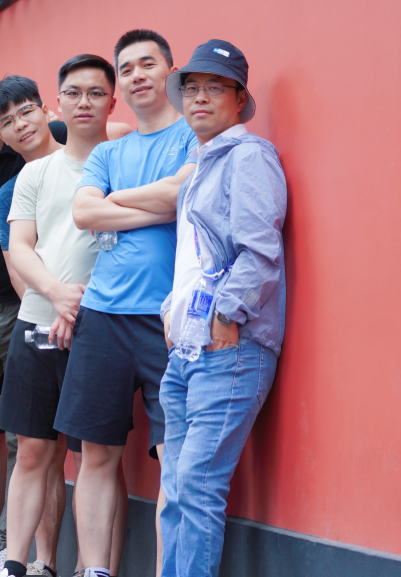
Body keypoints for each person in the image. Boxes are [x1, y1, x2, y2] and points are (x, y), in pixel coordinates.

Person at [54, 30, 199, 577]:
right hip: (103, 318)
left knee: (173, 459)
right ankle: (96, 570)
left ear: (170, 72)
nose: (137, 75)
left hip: (171, 319)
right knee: (95, 454)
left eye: (147, 64)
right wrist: (158, 206)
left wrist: (115, 200)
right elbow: (84, 214)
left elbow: (182, 194)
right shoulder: (109, 152)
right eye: (127, 69)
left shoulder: (193, 135)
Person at [0, 58, 124, 577]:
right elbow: (21, 247)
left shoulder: (124, 160)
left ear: (110, 100)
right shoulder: (34, 174)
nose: (83, 102)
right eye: (73, 93)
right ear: (58, 103)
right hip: (36, 323)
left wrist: (82, 302)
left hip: (102, 326)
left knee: (97, 455)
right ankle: (15, 564)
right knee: (31, 452)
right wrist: (56, 293)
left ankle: (95, 569)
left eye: (95, 93)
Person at [158, 40, 286, 577]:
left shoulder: (249, 156)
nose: (200, 98)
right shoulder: (201, 166)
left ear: (239, 99)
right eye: (191, 88)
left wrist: (228, 315)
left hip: (230, 346)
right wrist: (172, 313)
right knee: (175, 487)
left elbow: (260, 250)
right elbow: (194, 256)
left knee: (196, 483)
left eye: (215, 87)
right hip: (187, 348)